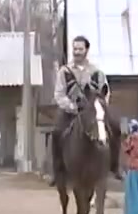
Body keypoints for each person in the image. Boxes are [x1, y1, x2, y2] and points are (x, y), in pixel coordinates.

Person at [50, 35, 123, 186]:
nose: (76, 52)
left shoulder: (97, 72)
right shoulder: (64, 72)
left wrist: (99, 107)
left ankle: (115, 166)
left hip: (93, 112)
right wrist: (72, 107)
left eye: (80, 49)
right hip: (70, 113)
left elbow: (105, 92)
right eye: (75, 49)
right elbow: (59, 95)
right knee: (56, 132)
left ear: (86, 50)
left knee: (115, 128)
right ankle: (57, 171)